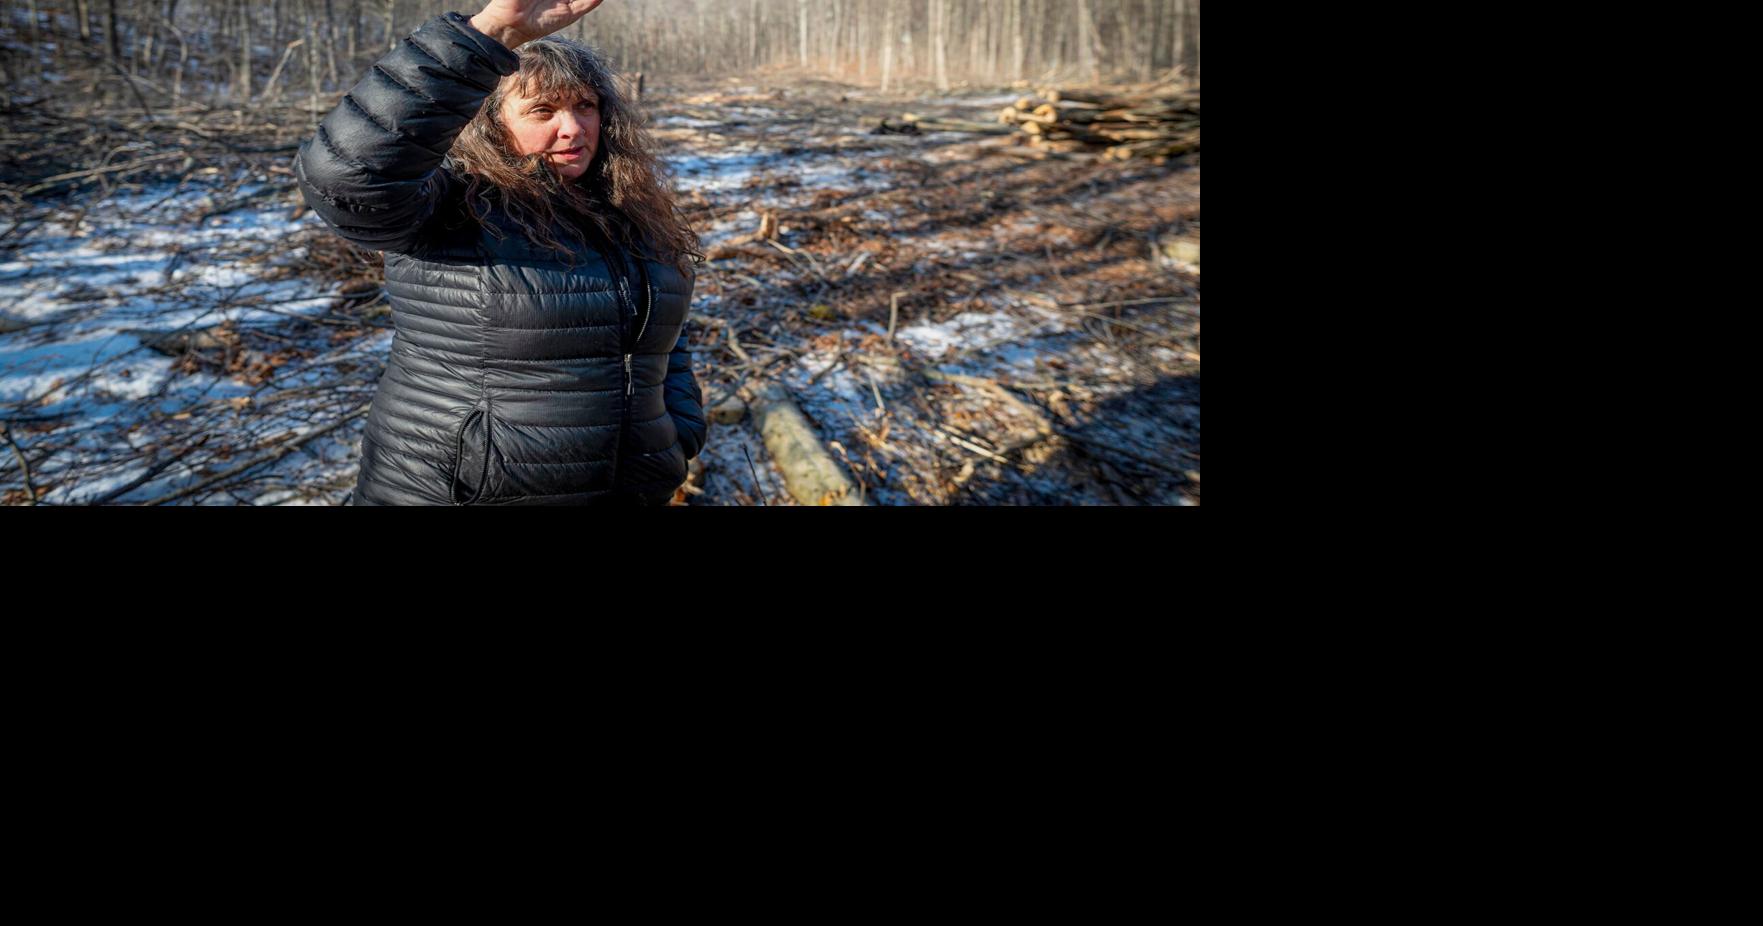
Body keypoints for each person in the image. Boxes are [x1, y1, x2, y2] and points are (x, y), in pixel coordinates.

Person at [295, 0, 707, 505]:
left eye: (585, 106)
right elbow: (346, 177)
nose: (574, 128)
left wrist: (676, 432)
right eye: (542, 110)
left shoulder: (626, 208)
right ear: (489, 122)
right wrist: (488, 33)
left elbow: (664, 335)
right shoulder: (451, 207)